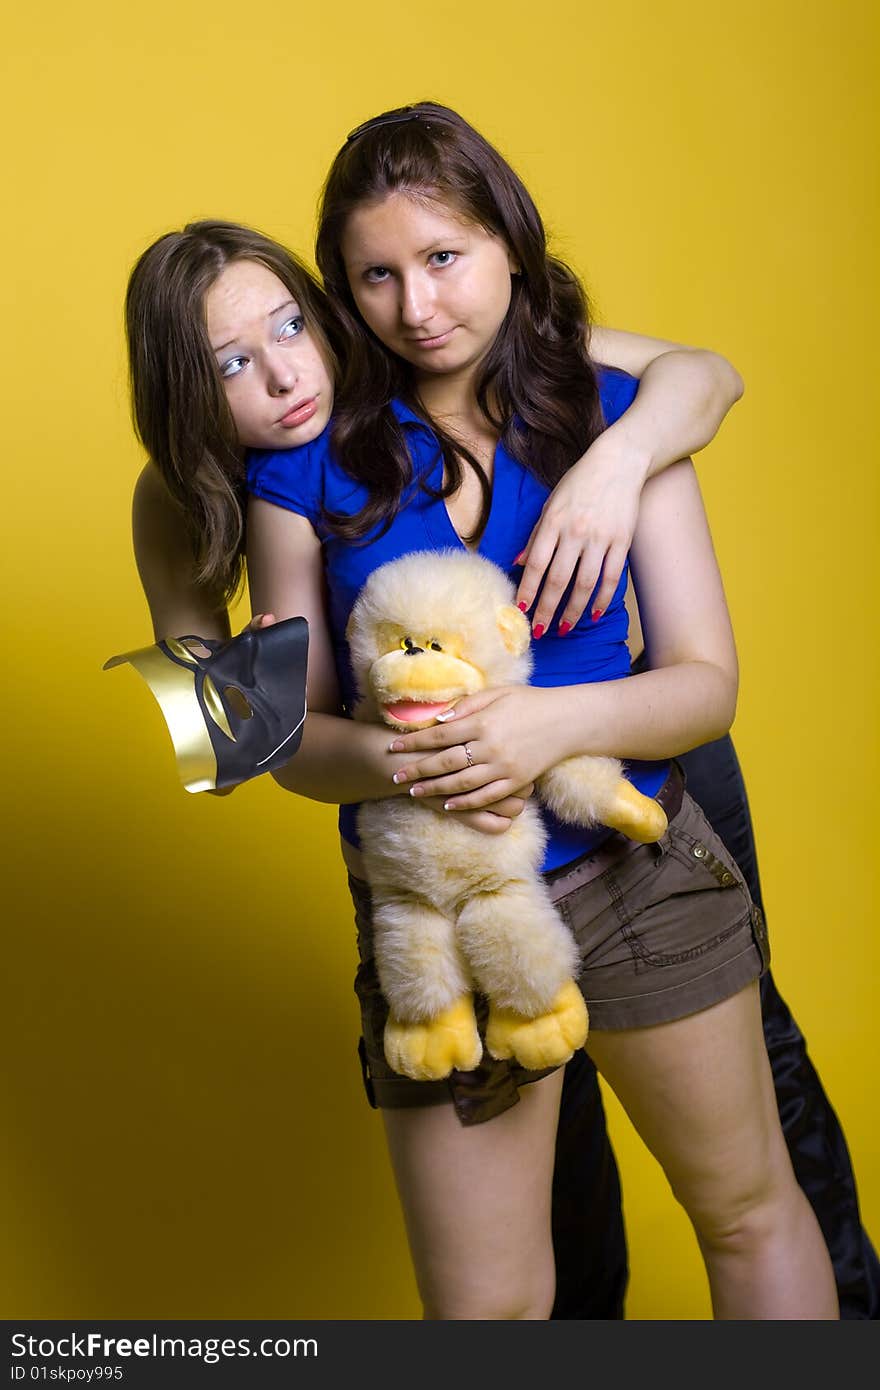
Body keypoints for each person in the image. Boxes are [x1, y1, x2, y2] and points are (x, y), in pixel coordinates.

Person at [120, 174, 865, 1316]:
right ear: (186, 398)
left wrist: (616, 464)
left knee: (756, 1098)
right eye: (228, 363)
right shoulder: (183, 503)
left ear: (326, 314)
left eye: (289, 329)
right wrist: (264, 697)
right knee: (535, 1176)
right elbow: (231, 750)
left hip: (629, 771)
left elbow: (700, 378)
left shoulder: (451, 344)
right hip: (435, 837)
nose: (282, 375)